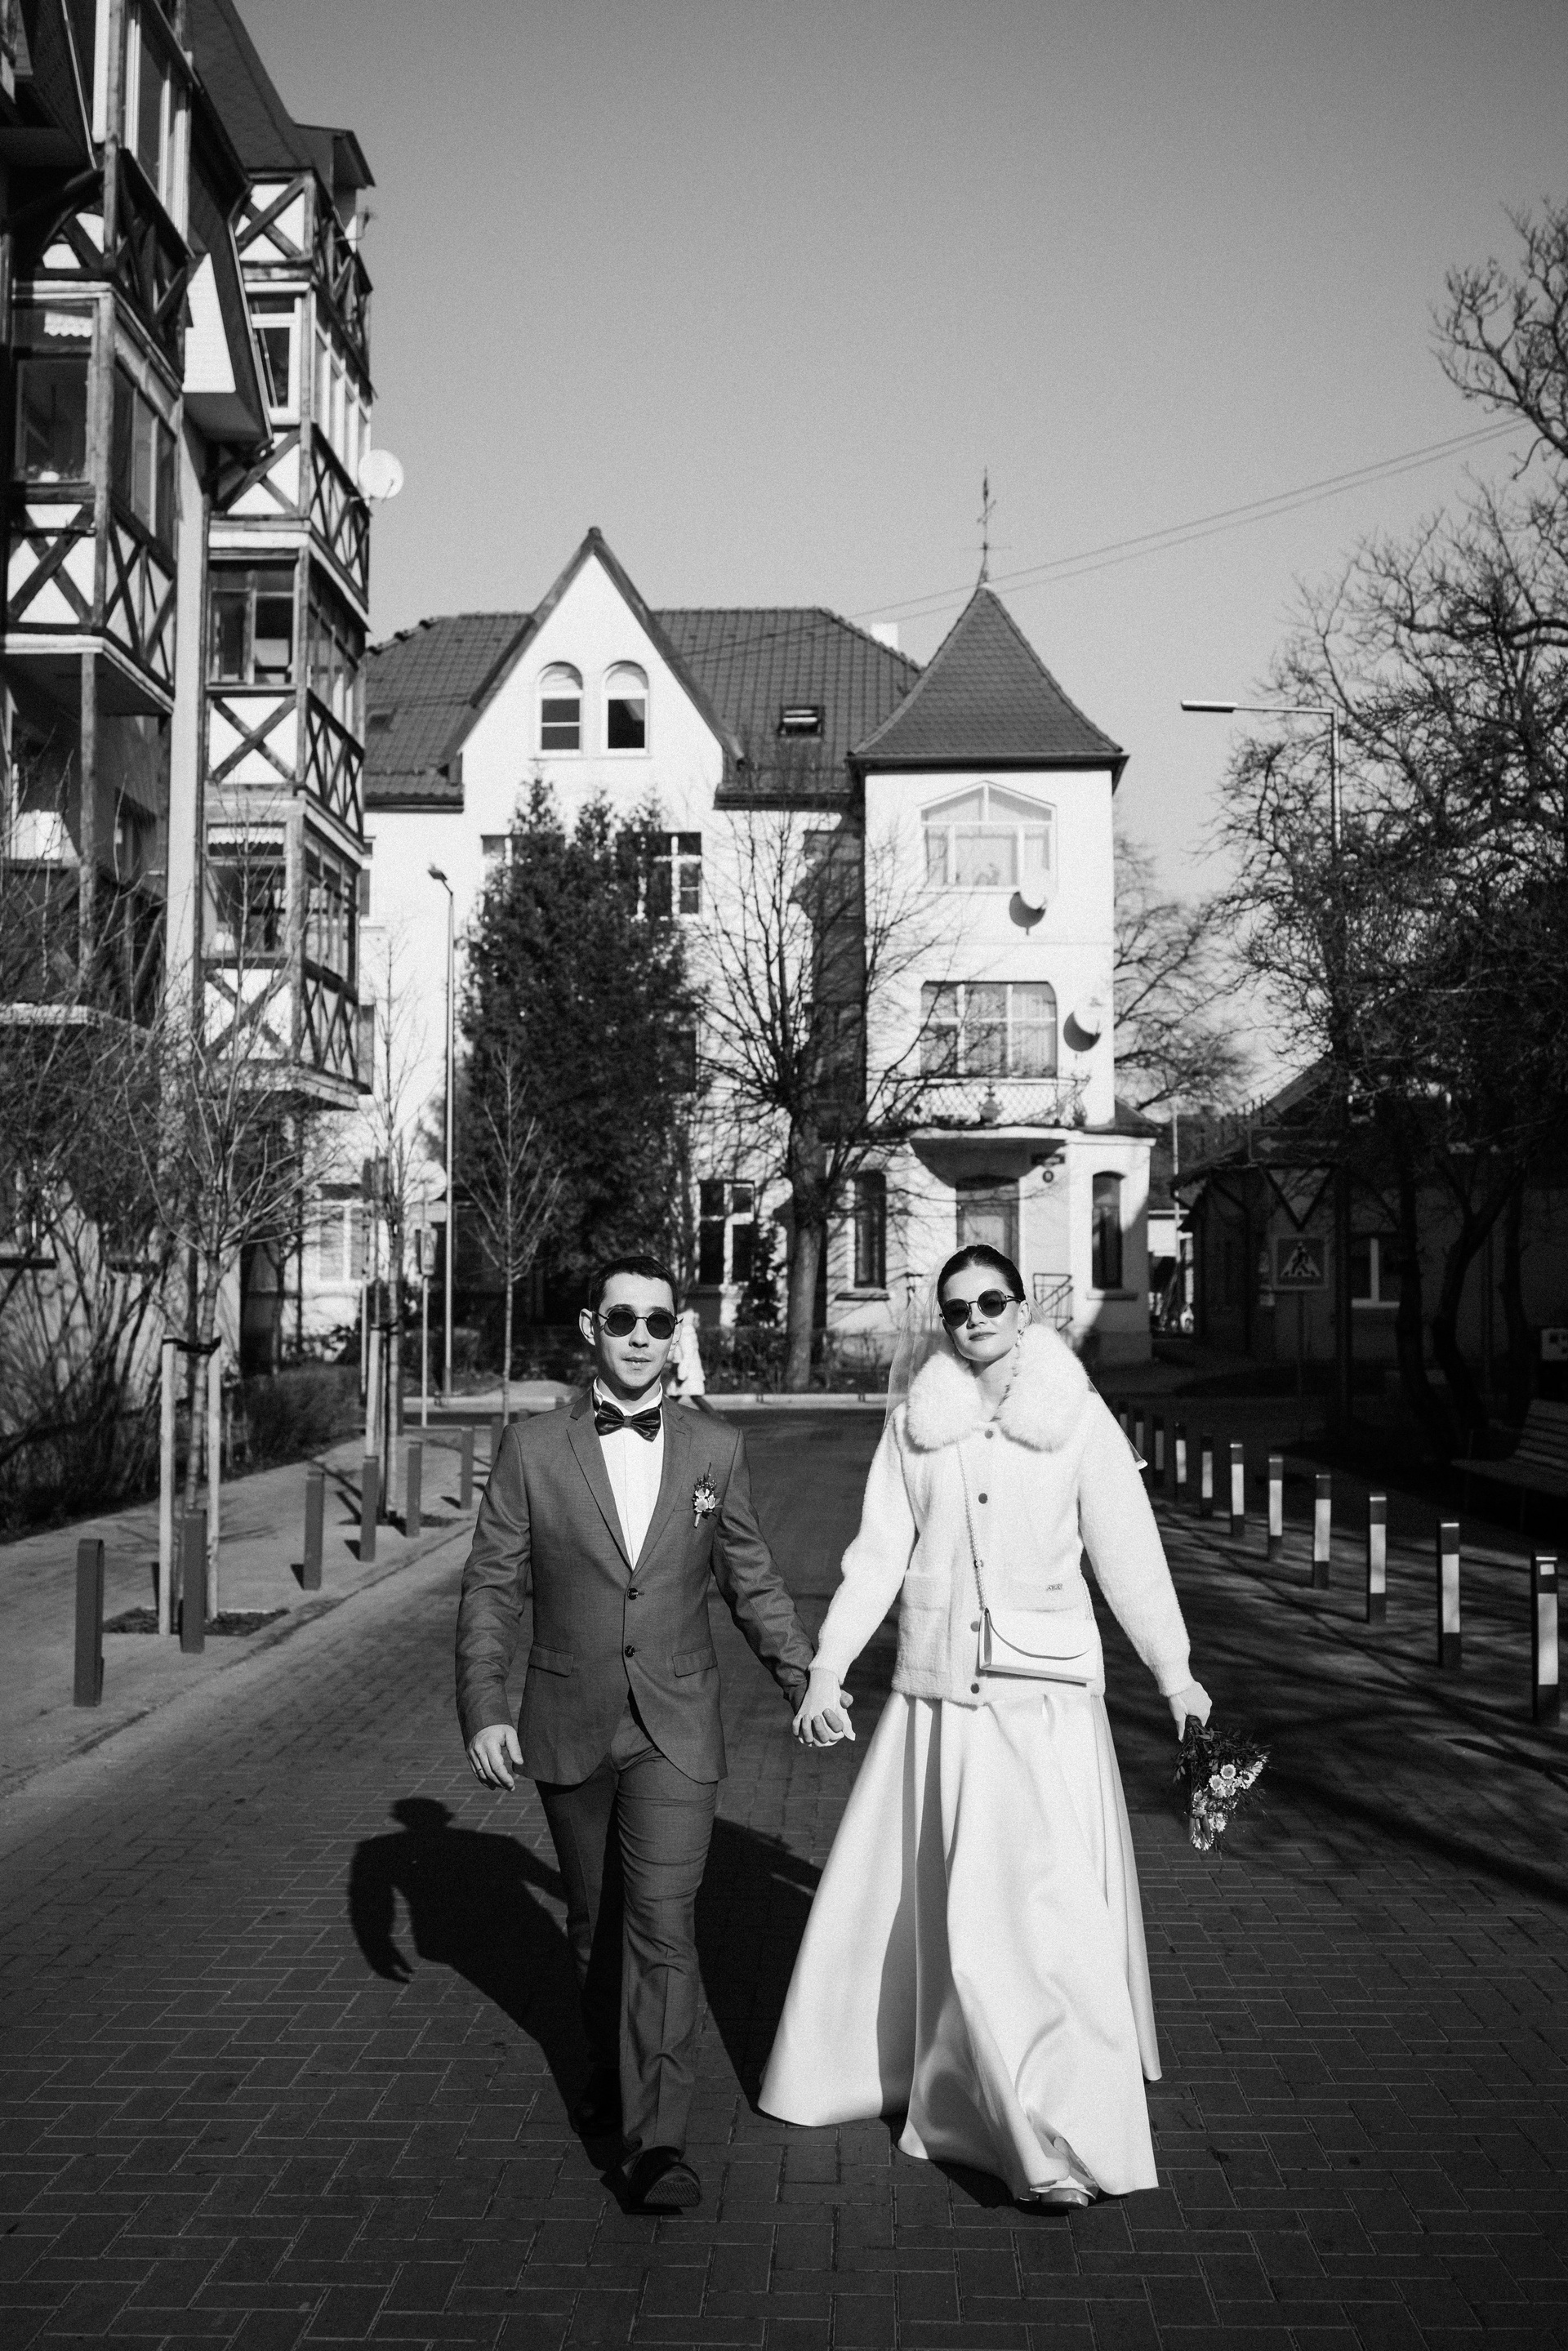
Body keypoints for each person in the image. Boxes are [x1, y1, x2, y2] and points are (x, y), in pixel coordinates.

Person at [759, 1245, 1210, 2206]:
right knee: (967, 1924)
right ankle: (992, 2109)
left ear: (1021, 1307)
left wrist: (1174, 1673)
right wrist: (828, 1665)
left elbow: (1128, 1550)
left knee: (1046, 1920)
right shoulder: (916, 1424)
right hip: (943, 1704)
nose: (975, 1319)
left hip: (1047, 1703)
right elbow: (878, 1554)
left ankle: (1058, 2127)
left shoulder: (1077, 1413)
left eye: (993, 1301)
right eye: (958, 1307)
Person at [458, 1252, 816, 2212]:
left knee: (661, 1921)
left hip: (676, 1723)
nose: (640, 1338)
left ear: (676, 1331)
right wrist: (485, 1706)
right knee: (595, 1924)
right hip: (567, 1716)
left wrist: (803, 1676)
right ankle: (609, 2071)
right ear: (592, 1326)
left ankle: (658, 2143)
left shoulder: (715, 1448)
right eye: (622, 1319)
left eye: (659, 1322)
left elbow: (750, 1577)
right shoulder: (533, 1447)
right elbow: (492, 1585)